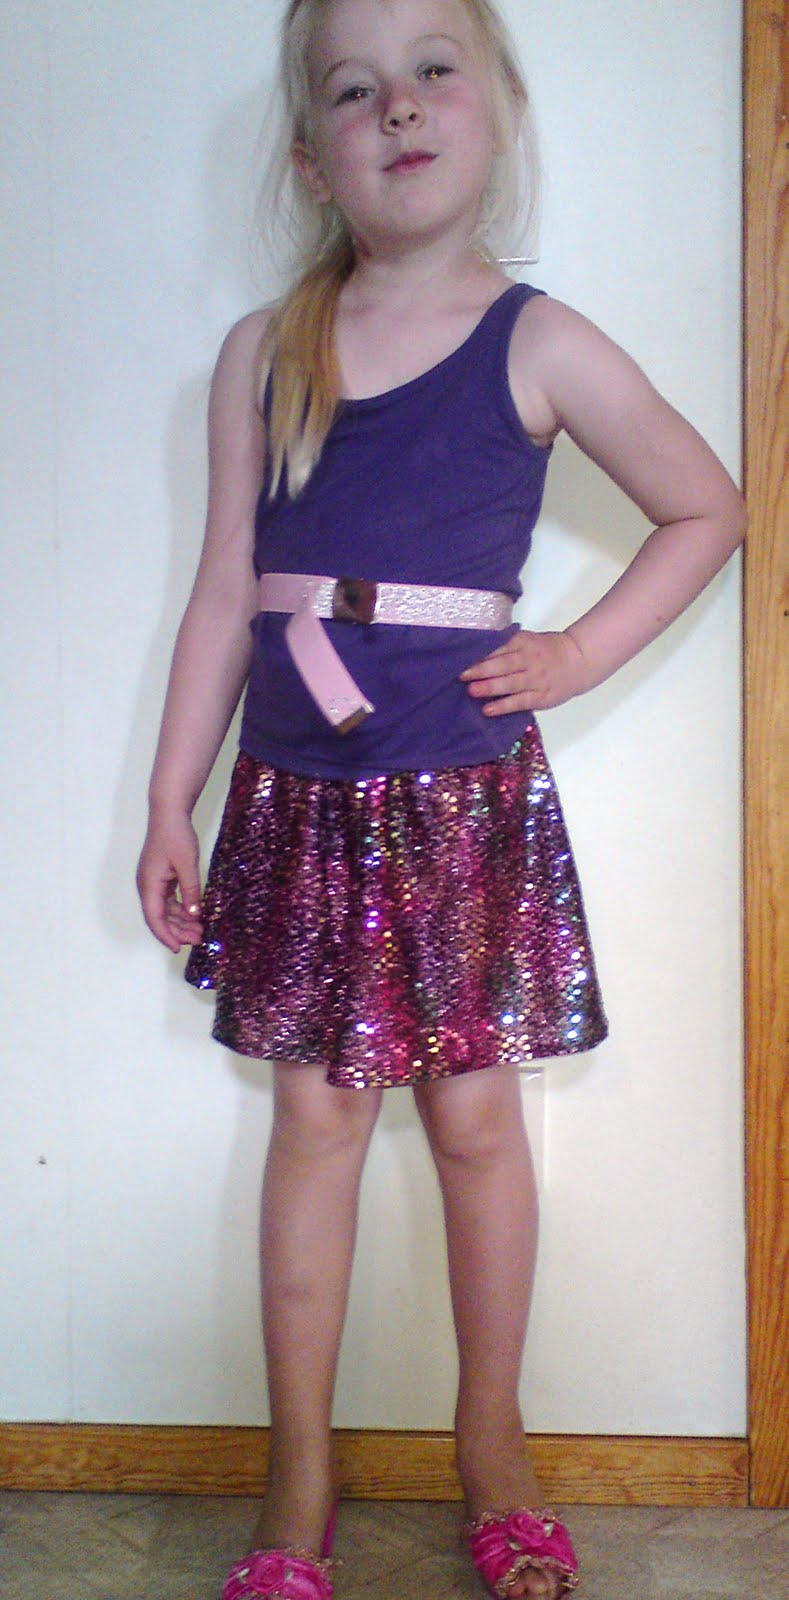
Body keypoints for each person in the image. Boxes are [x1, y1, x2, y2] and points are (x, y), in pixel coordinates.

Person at [136, 1, 746, 1595]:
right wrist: (170, 799)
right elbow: (223, 594)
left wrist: (578, 651)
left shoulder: (537, 342)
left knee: (477, 1123)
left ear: (497, 110)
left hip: (461, 801)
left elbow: (705, 505)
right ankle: (298, 1479)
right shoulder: (262, 353)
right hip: (295, 801)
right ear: (310, 157)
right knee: (316, 1122)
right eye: (355, 89)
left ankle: (494, 1447)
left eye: (432, 71)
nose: (397, 107)